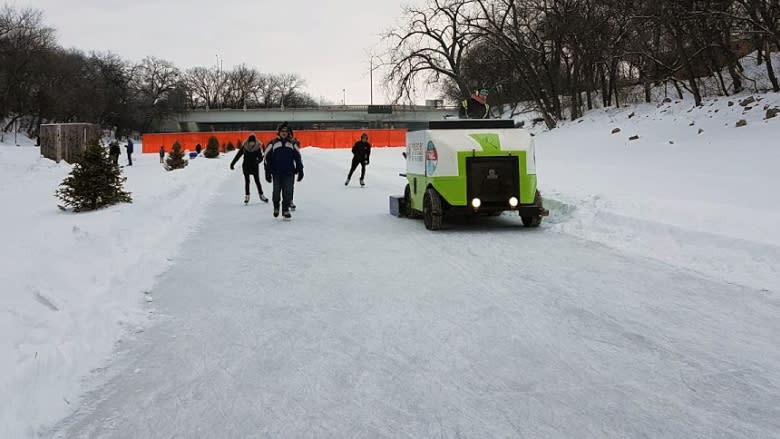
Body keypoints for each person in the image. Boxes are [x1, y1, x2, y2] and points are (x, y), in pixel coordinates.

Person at [264, 122, 303, 219]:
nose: (284, 133)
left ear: (288, 132)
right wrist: (267, 172)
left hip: (289, 173)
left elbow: (298, 158)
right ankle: (276, 206)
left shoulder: (292, 144)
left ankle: (285, 210)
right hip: (276, 173)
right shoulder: (273, 143)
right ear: (279, 132)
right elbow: (266, 158)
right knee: (276, 193)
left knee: (288, 192)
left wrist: (300, 170)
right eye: (282, 131)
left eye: (286, 131)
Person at [230, 133, 268, 204]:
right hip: (246, 166)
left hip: (254, 167)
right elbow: (238, 155)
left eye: (253, 142)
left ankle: (261, 195)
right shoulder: (244, 147)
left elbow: (260, 158)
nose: (251, 144)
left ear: (255, 142)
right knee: (247, 182)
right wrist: (232, 163)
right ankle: (247, 196)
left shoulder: (257, 147)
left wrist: (257, 161)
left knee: (257, 181)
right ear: (248, 141)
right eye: (250, 142)